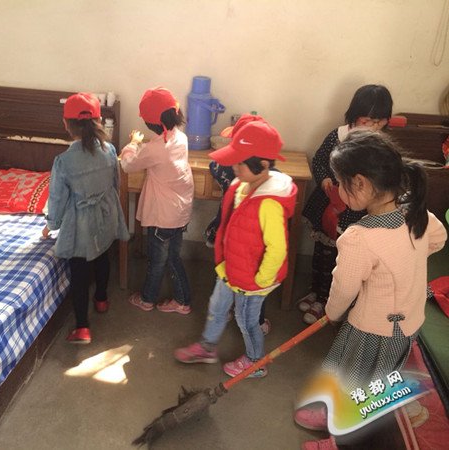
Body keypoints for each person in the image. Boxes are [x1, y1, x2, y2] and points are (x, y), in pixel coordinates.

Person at [295, 131, 447, 450]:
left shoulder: (359, 237)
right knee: (379, 377)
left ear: (361, 183)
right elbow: (438, 239)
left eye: (340, 183)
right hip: (408, 324)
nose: (338, 190)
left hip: (371, 329)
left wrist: (332, 314)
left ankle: (342, 439)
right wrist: (408, 261)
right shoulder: (417, 213)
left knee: (356, 381)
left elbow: (343, 290)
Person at [174, 117, 297, 378]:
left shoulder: (269, 204)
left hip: (252, 280)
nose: (234, 167)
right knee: (217, 307)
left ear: (263, 165)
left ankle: (255, 362)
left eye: (241, 162)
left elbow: (277, 249)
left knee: (247, 321)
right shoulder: (242, 186)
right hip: (231, 268)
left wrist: (258, 282)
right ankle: (207, 347)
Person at [299, 84, 394, 325]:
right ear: (354, 115)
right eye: (367, 120)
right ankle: (315, 291)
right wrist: (325, 180)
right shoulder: (338, 135)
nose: (372, 126)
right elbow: (319, 161)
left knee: (342, 261)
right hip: (328, 204)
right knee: (321, 252)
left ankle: (328, 303)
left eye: (378, 122)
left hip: (354, 212)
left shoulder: (382, 145)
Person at [42, 92, 129, 344]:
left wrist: (51, 224)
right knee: (102, 256)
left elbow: (57, 198)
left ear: (66, 124)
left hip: (81, 222)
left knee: (79, 273)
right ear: (99, 121)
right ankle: (101, 299)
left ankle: (82, 327)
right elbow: (115, 183)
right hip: (106, 213)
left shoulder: (63, 161)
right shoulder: (109, 150)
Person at [120, 87, 194, 315]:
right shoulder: (181, 138)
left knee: (157, 260)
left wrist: (133, 143)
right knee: (173, 257)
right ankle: (182, 300)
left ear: (151, 123)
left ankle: (147, 299)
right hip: (179, 213)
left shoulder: (155, 149)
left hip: (162, 217)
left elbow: (127, 164)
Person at [205, 114, 275, 335]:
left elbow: (213, 165)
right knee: (255, 285)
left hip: (228, 233)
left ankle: (224, 311)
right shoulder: (271, 174)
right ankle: (257, 321)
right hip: (255, 241)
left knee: (225, 274)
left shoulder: (224, 165)